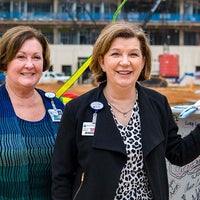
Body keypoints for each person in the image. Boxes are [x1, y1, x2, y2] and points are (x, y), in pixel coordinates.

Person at [51, 21, 200, 200]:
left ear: (143, 61)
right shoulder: (77, 110)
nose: (125, 62)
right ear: (102, 61)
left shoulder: (158, 104)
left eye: (133, 54)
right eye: (115, 54)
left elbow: (178, 153)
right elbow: (62, 174)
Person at [0, 25, 64, 199]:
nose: (30, 65)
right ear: (5, 61)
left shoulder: (56, 107)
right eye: (20, 57)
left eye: (36, 57)